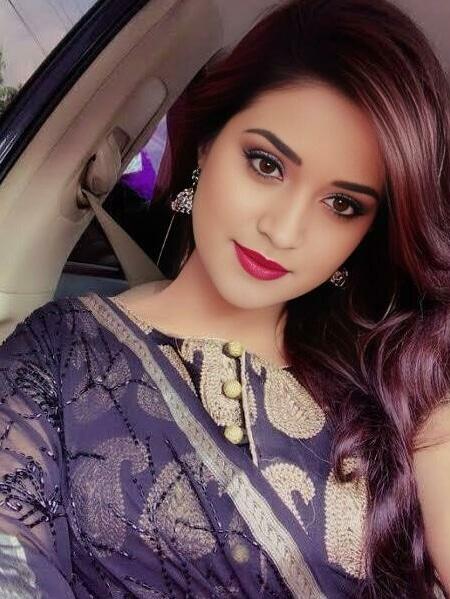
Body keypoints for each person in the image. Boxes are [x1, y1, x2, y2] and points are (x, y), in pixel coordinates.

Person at [0, 0, 449, 596]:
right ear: (208, 143)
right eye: (266, 164)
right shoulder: (59, 351)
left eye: (342, 204)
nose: (283, 231)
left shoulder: (404, 379)